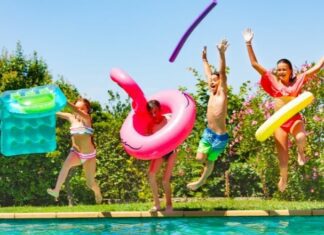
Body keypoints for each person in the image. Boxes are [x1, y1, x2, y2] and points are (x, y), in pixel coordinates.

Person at [242, 28, 324, 192]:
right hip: (278, 122)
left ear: (290, 71)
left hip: (294, 119)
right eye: (278, 69)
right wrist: (248, 43)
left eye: (284, 69)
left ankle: (301, 153)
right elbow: (254, 64)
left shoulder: (298, 80)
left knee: (301, 137)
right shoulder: (272, 80)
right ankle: (284, 178)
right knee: (283, 156)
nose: (281, 72)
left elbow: (317, 67)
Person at [187, 39, 229, 191]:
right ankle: (202, 178)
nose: (211, 82)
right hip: (209, 133)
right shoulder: (211, 93)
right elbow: (207, 74)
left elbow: (222, 73)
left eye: (214, 80)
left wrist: (221, 54)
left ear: (220, 82)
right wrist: (204, 60)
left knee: (210, 161)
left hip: (220, 136)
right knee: (200, 158)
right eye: (210, 80)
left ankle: (201, 181)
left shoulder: (222, 93)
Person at [47, 97, 102, 204]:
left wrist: (65, 101)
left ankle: (97, 192)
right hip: (76, 153)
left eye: (82, 108)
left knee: (90, 184)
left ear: (87, 110)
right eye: (77, 108)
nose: (79, 110)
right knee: (65, 166)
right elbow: (55, 112)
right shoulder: (71, 117)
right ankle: (56, 190)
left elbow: (76, 110)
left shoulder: (87, 118)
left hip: (89, 156)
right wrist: (47, 106)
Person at [146, 100, 177, 213]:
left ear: (160, 109)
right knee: (151, 175)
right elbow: (149, 140)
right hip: (159, 152)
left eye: (156, 111)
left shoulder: (168, 119)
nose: (154, 114)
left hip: (171, 151)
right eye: (151, 113)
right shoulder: (151, 125)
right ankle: (157, 204)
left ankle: (169, 204)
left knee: (165, 180)